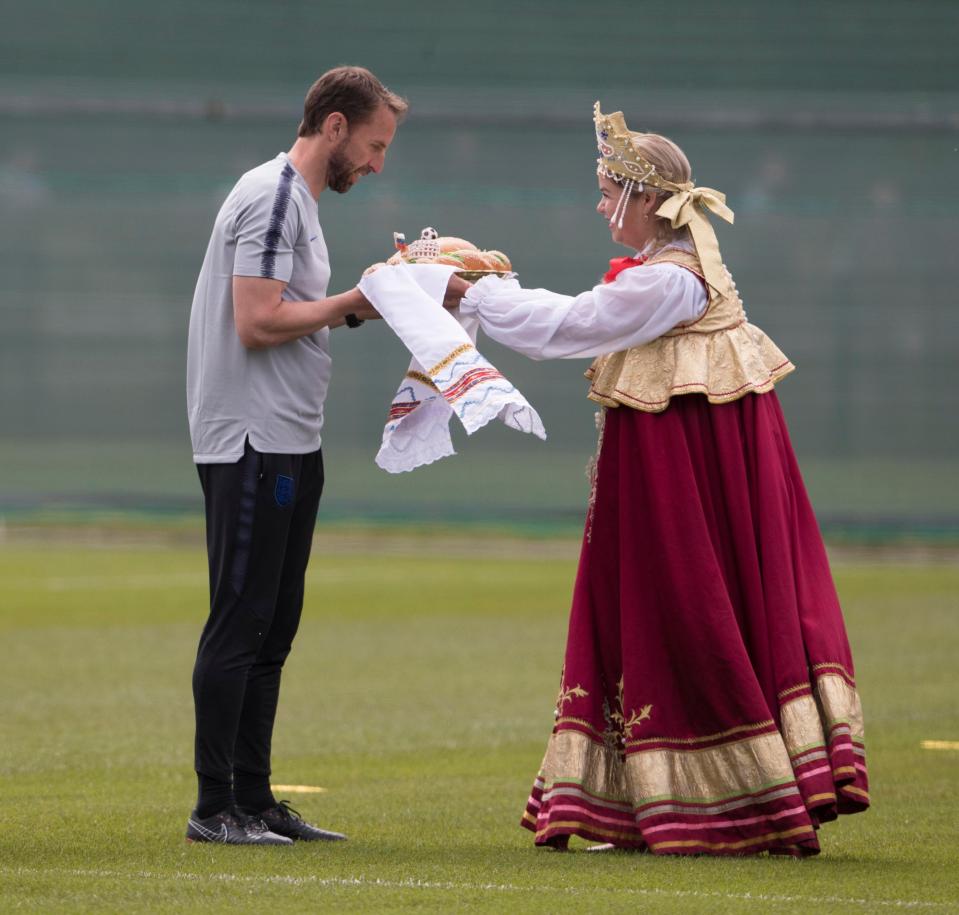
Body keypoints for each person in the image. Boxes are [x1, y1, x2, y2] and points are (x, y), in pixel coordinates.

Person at [458, 103, 869, 856]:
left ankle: (724, 798)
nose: (597, 202)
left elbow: (571, 326)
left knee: (684, 607)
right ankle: (653, 798)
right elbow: (580, 317)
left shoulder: (670, 281)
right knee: (652, 610)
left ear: (642, 198)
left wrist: (476, 293)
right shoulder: (666, 271)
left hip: (688, 489)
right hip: (672, 477)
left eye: (605, 187)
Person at [185, 65, 468, 845]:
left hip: (287, 438)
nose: (378, 164)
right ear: (335, 126)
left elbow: (290, 312)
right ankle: (216, 808)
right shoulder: (275, 195)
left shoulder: (297, 203)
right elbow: (255, 321)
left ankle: (254, 798)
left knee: (272, 624)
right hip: (252, 438)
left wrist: (378, 292)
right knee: (241, 621)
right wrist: (359, 300)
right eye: (374, 146)